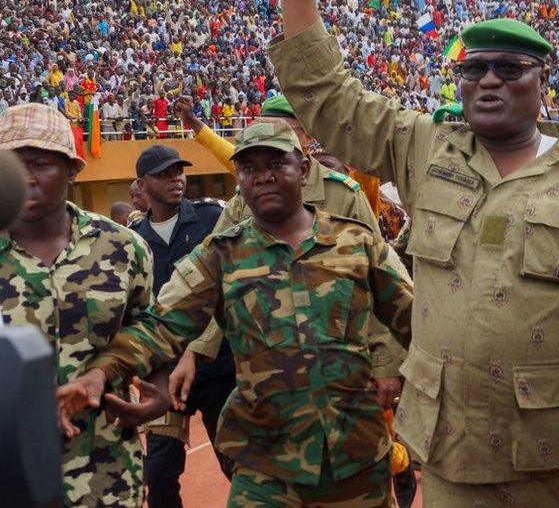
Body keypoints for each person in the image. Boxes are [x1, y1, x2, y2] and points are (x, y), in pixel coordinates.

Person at [271, 0, 559, 506]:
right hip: (451, 459)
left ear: (543, 82)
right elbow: (324, 91)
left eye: (511, 68)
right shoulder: (425, 149)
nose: (490, 78)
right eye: (475, 68)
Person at [57, 120, 414, 507]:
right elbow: (160, 326)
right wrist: (101, 372)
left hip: (355, 459)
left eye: (276, 164)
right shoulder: (220, 254)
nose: (263, 177)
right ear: (239, 179)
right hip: (265, 466)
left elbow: (419, 324)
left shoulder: (357, 242)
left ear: (305, 170)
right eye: (249, 169)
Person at [173, 94, 406, 412]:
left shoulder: (344, 196)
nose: (269, 143)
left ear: (307, 138)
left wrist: (386, 364)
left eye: (282, 132)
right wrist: (193, 351)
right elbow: (211, 281)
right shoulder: (245, 201)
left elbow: (380, 283)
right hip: (272, 377)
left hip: (343, 372)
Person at [0, 103, 168, 507]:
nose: (25, 179)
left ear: (73, 170)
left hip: (104, 472)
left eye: (40, 163)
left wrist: (157, 399)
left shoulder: (123, 248)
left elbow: (151, 326)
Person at [129, 144, 233, 506]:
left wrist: (193, 350)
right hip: (165, 375)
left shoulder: (212, 218)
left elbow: (221, 291)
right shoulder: (133, 239)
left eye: (179, 172)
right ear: (142, 184)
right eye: (164, 174)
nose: (176, 179)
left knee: (238, 467)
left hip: (218, 368)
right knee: (157, 475)